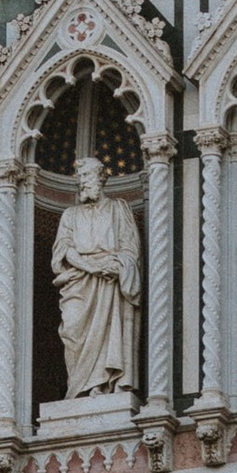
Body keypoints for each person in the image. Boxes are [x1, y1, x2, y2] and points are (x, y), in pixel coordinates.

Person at [52, 158, 141, 398]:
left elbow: (130, 249)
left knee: (109, 332)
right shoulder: (70, 215)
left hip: (108, 280)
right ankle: (79, 389)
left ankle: (103, 386)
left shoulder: (119, 208)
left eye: (87, 177)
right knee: (72, 331)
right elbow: (64, 250)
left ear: (102, 179)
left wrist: (118, 265)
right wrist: (89, 266)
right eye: (80, 178)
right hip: (79, 281)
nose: (82, 183)